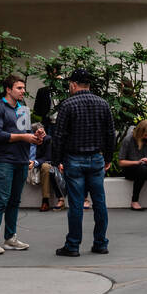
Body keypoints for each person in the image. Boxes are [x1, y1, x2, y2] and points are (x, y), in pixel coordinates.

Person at [51, 68, 116, 257]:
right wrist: (109, 158)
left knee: (76, 204)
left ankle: (73, 245)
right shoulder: (103, 104)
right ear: (89, 84)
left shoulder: (67, 105)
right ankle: (100, 243)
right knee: (100, 202)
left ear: (73, 84)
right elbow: (110, 134)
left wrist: (56, 161)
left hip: (74, 159)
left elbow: (59, 135)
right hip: (96, 158)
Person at [0, 75, 44, 256]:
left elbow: (25, 133)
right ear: (8, 89)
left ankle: (10, 238)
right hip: (4, 161)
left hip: (21, 160)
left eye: (23, 88)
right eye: (19, 88)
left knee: (15, 201)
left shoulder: (23, 109)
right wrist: (23, 137)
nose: (23, 91)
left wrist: (37, 137)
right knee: (2, 199)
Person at [119, 119, 147, 210]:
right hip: (131, 169)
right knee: (142, 169)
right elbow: (121, 162)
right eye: (145, 134)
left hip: (146, 168)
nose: (146, 137)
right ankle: (134, 201)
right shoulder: (128, 139)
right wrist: (137, 162)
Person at [30, 131, 66, 212]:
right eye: (39, 133)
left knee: (47, 167)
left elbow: (47, 157)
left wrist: (35, 162)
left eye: (43, 133)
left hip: (41, 164)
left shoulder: (46, 140)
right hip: (25, 163)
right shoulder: (26, 140)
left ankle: (45, 201)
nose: (42, 136)